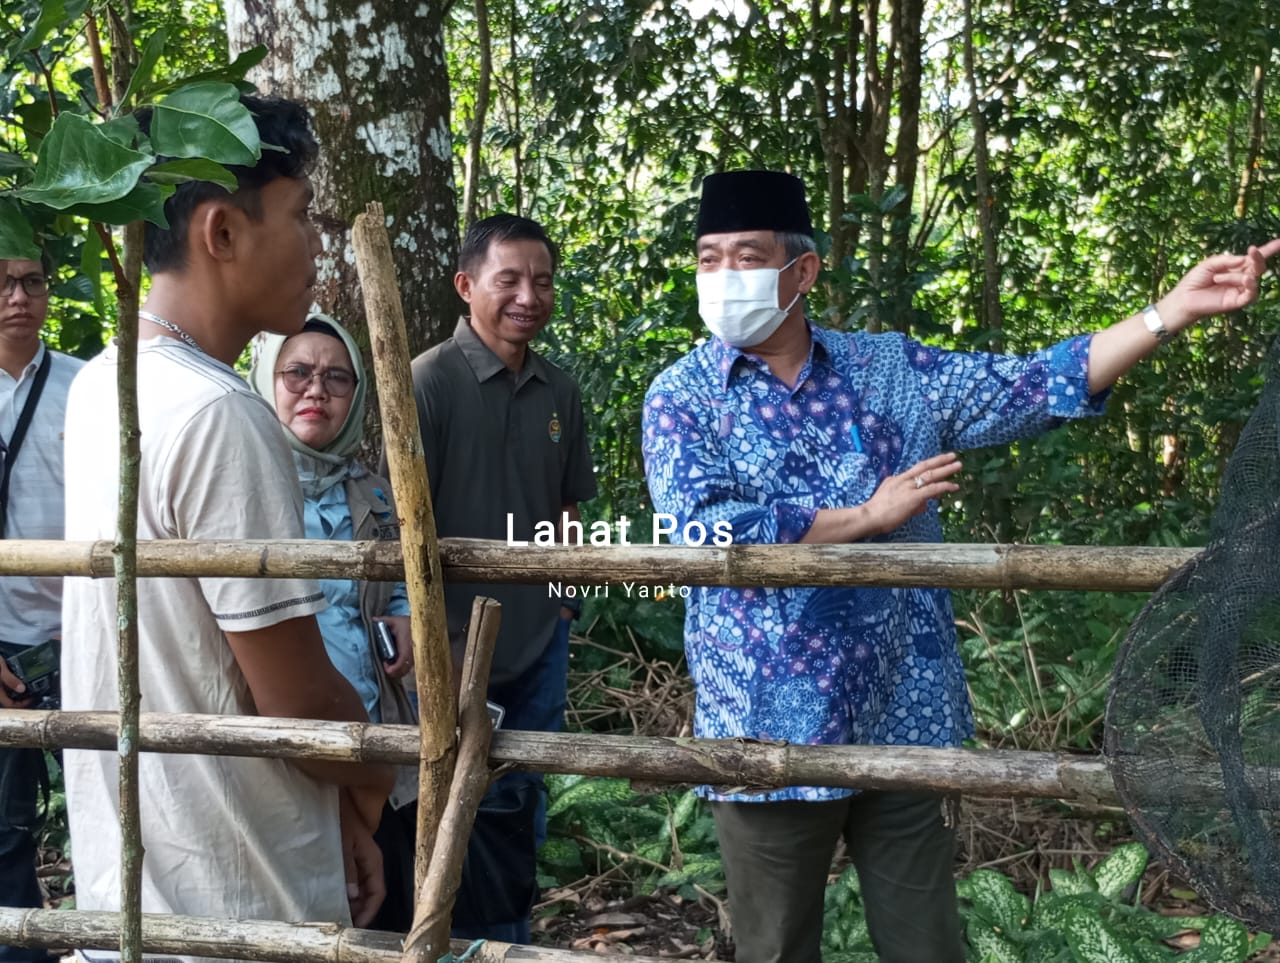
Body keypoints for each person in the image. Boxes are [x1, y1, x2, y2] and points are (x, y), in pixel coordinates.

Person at [640, 169, 1280, 963]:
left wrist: (1169, 311)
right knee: (773, 948)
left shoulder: (888, 371)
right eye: (709, 258)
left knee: (928, 946)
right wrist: (867, 518)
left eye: (746, 255)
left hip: (903, 709)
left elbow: (1032, 384)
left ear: (800, 271)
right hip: (766, 722)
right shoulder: (683, 397)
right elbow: (703, 532)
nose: (724, 276)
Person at [60, 94, 392, 958]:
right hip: (238, 908)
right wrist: (373, 781)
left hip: (132, 894)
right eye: (300, 214)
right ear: (222, 233)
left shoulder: (103, 384)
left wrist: (333, 815)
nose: (316, 242)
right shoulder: (220, 413)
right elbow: (298, 701)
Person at [393, 213, 596, 942]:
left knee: (521, 795)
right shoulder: (428, 380)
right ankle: (444, 937)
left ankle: (509, 936)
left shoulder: (558, 389)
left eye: (541, 280)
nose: (527, 295)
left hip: (538, 635)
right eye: (508, 278)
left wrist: (566, 601)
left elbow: (567, 505)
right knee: (444, 800)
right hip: (444, 643)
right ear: (466, 284)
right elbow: (398, 516)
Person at [248, 313, 419, 931]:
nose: (316, 390)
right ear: (265, 381)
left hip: (373, 736)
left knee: (384, 910)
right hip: (281, 740)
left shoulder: (375, 493)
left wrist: (403, 618)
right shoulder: (241, 486)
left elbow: (401, 588)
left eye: (336, 378)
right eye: (297, 373)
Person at [0, 252, 83, 962]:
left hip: (78, 631)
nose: (17, 297)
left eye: (32, 279)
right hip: (0, 644)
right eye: (1, 282)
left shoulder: (83, 387)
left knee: (107, 802)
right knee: (4, 827)